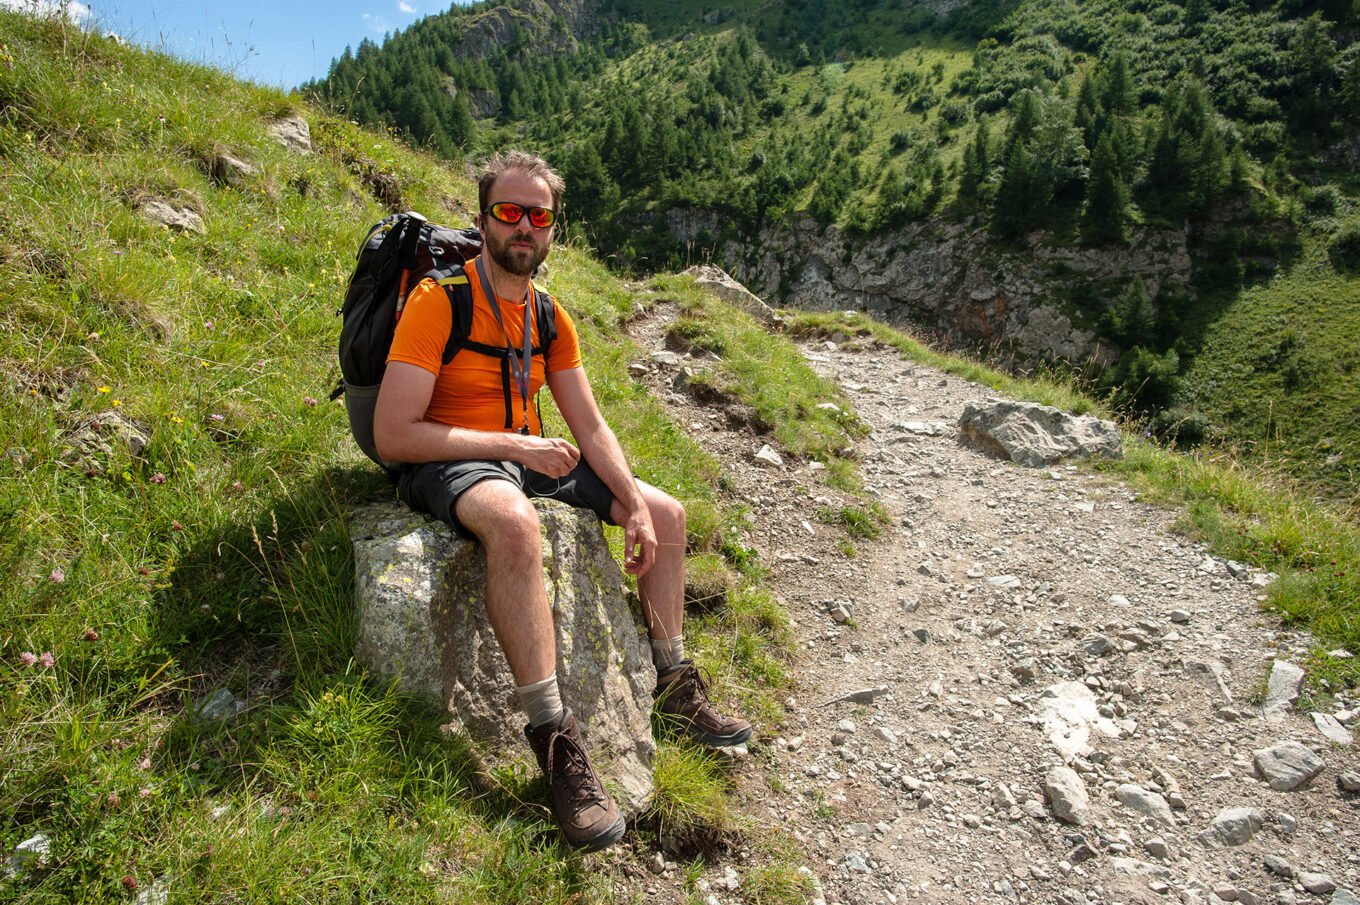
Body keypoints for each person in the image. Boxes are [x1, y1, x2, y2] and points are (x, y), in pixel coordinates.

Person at [371, 151, 751, 852]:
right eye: (509, 211)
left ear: (552, 230)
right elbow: (394, 430)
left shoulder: (549, 315)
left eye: (538, 215)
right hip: (446, 457)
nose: (523, 226)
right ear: (484, 217)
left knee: (666, 513)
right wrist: (515, 448)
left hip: (526, 452)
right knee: (515, 524)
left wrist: (633, 502)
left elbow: (590, 422)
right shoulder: (439, 301)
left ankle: (674, 684)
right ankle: (555, 741)